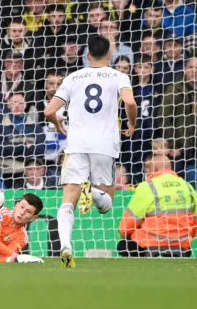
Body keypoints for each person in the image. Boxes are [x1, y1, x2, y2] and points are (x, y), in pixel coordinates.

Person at [44, 35, 138, 268]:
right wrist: (132, 124)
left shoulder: (73, 77)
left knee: (68, 201)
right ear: (110, 56)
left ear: (87, 56)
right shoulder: (119, 76)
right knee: (106, 205)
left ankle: (65, 245)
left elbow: (48, 111)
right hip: (105, 145)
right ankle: (93, 193)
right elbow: (130, 102)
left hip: (76, 144)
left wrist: (59, 125)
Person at [118, 155, 197, 257]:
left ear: (154, 169)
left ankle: (141, 271)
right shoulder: (188, 187)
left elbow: (129, 222)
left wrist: (122, 235)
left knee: (123, 246)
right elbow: (196, 222)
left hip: (152, 241)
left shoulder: (147, 186)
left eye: (148, 168)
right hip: (181, 242)